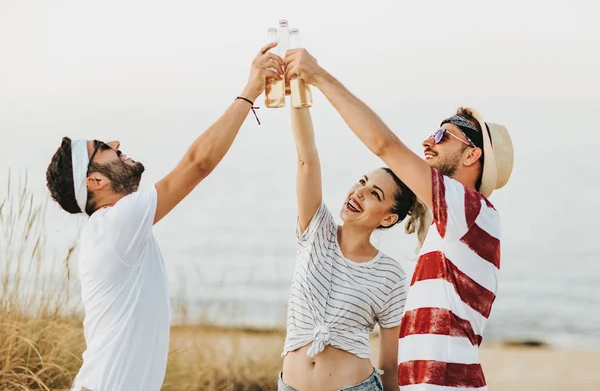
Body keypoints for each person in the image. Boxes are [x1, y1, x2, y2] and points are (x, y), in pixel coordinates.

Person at [45, 42, 284, 391]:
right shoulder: (115, 226)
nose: (114, 142)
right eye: (102, 147)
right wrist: (250, 91)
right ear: (95, 181)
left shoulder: (115, 229)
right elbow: (197, 165)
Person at [284, 48, 514, 390]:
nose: (427, 142)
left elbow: (384, 144)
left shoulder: (472, 210)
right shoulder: (447, 229)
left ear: (472, 154)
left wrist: (318, 76)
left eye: (442, 136)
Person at [279, 105, 429, 391]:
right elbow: (306, 160)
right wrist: (297, 93)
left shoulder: (390, 275)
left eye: (375, 194)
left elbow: (389, 365)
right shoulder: (316, 230)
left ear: (388, 218)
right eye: (362, 182)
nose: (359, 192)